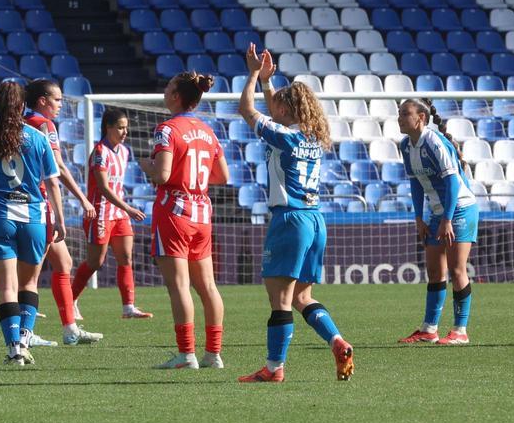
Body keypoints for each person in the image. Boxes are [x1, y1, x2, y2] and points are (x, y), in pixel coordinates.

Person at [234, 46, 354, 383]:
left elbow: (246, 109)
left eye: (277, 106)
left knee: (280, 299)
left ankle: (274, 369)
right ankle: (337, 341)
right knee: (303, 296)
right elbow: (272, 110)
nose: (273, 108)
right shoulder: (311, 137)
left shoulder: (283, 136)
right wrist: (270, 84)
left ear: (285, 110)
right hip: (316, 220)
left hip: (290, 219)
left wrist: (254, 74)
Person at [0, 80, 66, 367]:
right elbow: (53, 184)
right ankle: (24, 339)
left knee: (6, 288)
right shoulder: (38, 137)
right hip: (33, 218)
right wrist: (59, 219)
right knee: (30, 284)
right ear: (22, 106)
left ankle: (13, 349)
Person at [140, 71, 230, 369]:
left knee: (179, 286)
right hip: (202, 211)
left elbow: (162, 175)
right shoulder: (207, 131)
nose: (165, 92)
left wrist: (148, 166)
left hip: (174, 210)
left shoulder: (167, 129)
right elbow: (222, 176)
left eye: (168, 88)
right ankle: (213, 354)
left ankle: (186, 354)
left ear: (177, 96)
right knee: (207, 286)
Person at [23, 79, 102, 345]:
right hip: (38, 205)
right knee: (31, 276)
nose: (60, 105)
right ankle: (26, 333)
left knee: (63, 263)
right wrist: (83, 199)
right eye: (57, 100)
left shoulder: (20, 122)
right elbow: (57, 167)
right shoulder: (44, 125)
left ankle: (70, 329)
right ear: (42, 100)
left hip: (20, 203)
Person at [396, 98, 478, 346]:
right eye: (399, 113)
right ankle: (429, 329)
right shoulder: (406, 145)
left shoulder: (434, 142)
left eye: (404, 113)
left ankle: (460, 330)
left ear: (420, 117)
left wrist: (447, 219)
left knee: (456, 270)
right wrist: (419, 217)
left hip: (460, 210)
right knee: (434, 270)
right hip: (435, 213)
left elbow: (453, 182)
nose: (399, 118)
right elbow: (415, 182)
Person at [69, 108, 152, 319]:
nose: (125, 132)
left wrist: (124, 209)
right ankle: (69, 301)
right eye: (121, 127)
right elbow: (104, 188)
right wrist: (129, 208)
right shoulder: (99, 152)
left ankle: (128, 308)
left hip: (119, 213)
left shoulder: (124, 151)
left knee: (126, 258)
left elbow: (117, 186)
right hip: (100, 214)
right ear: (108, 128)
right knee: (96, 262)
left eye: (126, 128)